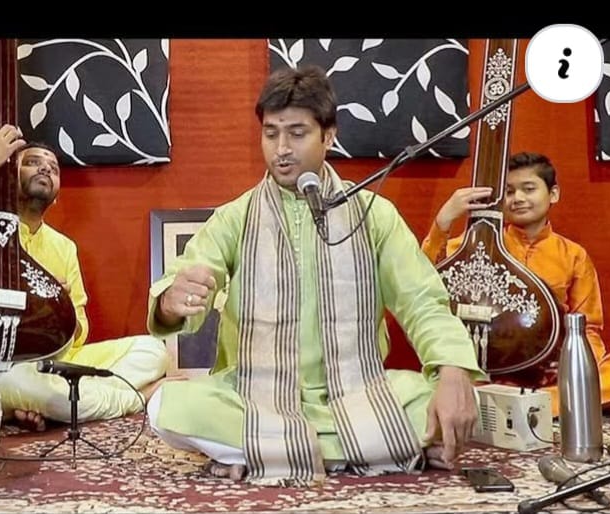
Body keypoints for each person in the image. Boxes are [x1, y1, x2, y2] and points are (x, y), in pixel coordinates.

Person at [144, 65, 486, 486]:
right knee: (165, 407)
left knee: (460, 400)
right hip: (255, 396)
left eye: (297, 133)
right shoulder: (236, 217)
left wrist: (452, 369)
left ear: (328, 135)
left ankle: (266, 452)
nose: (281, 149)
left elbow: (422, 301)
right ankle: (377, 449)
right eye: (271, 134)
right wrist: (172, 302)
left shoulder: (374, 214)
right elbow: (188, 280)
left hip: (359, 392)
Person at [0, 127, 170, 432]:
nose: (45, 168)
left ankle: (44, 405)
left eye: (53, 168)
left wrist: (56, 307)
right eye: (32, 162)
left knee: (153, 352)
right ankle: (138, 398)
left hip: (52, 363)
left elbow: (78, 335)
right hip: (1, 368)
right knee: (22, 383)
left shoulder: (63, 247)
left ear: (55, 197)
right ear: (7, 178)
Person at [422, 151, 610, 418]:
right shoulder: (476, 245)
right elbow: (421, 277)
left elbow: (589, 327)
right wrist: (443, 222)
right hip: (497, 370)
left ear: (553, 194)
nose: (518, 198)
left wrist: (574, 369)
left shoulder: (573, 255)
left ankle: (535, 404)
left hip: (554, 371)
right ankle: (559, 403)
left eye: (529, 189)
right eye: (509, 192)